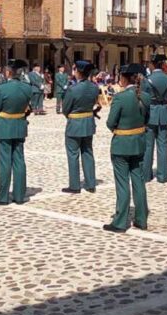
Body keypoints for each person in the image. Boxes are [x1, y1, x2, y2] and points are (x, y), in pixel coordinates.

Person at [104, 63, 151, 233]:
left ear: (124, 78)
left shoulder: (120, 97)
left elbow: (110, 123)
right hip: (139, 142)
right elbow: (147, 118)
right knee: (138, 180)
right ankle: (141, 218)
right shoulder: (145, 97)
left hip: (122, 144)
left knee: (122, 183)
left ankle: (121, 221)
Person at [0, 59, 34, 206]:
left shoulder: (2, 88)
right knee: (19, 160)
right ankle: (19, 195)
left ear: (8, 72)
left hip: (4, 125)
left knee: (4, 162)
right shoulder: (27, 88)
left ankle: (2, 196)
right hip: (20, 124)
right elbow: (28, 108)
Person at [61, 60, 99, 194]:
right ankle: (90, 183)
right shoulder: (94, 87)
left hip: (75, 123)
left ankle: (75, 185)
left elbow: (65, 108)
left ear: (78, 72)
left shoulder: (73, 89)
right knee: (88, 152)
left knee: (73, 154)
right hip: (88, 122)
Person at [143, 54, 167, 183]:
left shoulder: (147, 79)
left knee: (148, 145)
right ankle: (163, 175)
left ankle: (146, 174)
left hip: (151, 112)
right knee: (163, 145)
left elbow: (144, 99)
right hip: (164, 111)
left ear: (153, 64)